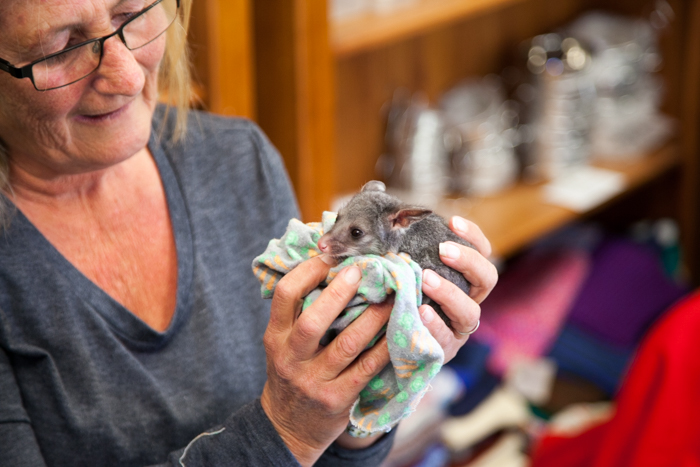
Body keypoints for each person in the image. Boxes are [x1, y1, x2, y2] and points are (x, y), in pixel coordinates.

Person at [0, 0, 498, 465]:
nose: (128, 77)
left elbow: (334, 446)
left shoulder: (237, 161)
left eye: (133, 13)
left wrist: (375, 383)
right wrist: (286, 431)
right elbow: (296, 438)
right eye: (60, 47)